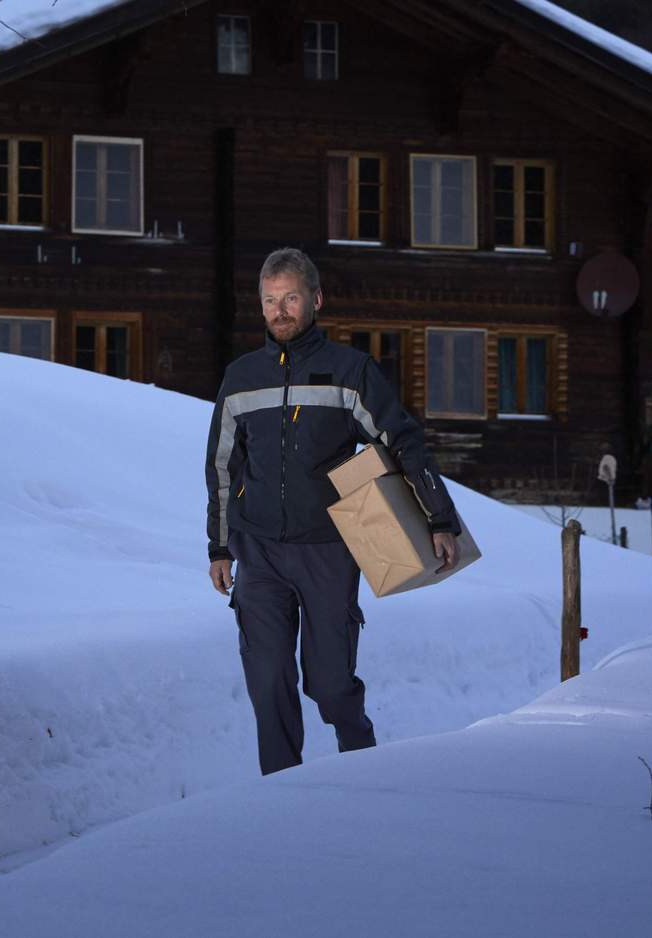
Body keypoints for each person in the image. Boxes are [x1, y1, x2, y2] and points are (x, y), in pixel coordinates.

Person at [204, 247, 461, 775]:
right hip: (260, 552)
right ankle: (282, 788)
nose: (279, 310)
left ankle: (360, 765)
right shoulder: (241, 378)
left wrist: (439, 518)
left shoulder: (350, 372)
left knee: (329, 683)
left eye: (290, 298)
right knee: (268, 676)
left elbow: (402, 441)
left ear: (315, 300)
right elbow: (222, 468)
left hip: (328, 549)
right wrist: (220, 546)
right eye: (270, 300)